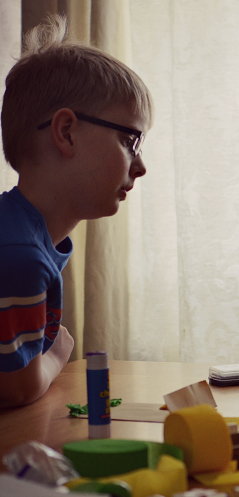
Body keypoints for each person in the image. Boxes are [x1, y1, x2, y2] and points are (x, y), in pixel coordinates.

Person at [0, 15, 152, 407]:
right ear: (66, 132)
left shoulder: (28, 238)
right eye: (130, 140)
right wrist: (57, 352)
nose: (141, 166)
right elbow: (15, 387)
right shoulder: (18, 254)